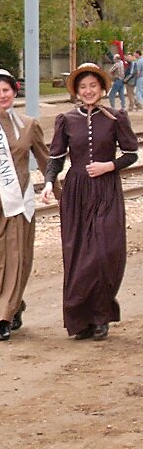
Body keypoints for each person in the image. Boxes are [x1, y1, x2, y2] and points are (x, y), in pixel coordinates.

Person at [42, 63, 138, 341]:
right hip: (77, 192)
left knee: (105, 253)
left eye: (92, 86)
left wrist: (110, 166)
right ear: (77, 91)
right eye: (83, 87)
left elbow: (131, 153)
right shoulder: (66, 119)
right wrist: (49, 182)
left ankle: (101, 313)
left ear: (102, 88)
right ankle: (82, 319)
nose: (88, 91)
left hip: (106, 189)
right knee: (79, 254)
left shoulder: (116, 117)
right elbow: (56, 157)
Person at [0, 70, 50, 341]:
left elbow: (46, 160)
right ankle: (12, 305)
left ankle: (3, 318)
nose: (2, 96)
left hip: (17, 201)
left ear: (15, 91)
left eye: (6, 90)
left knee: (12, 258)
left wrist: (55, 187)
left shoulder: (29, 124)